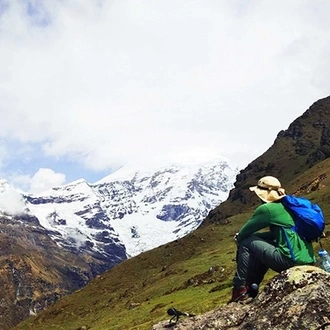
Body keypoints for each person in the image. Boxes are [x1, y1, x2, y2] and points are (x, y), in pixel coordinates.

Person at [229, 175, 316, 303]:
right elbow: (276, 235)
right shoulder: (288, 206)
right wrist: (257, 238)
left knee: (247, 242)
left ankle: (240, 288)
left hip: (289, 261)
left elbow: (243, 233)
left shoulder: (267, 209)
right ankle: (252, 288)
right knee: (260, 245)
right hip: (307, 259)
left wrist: (242, 237)